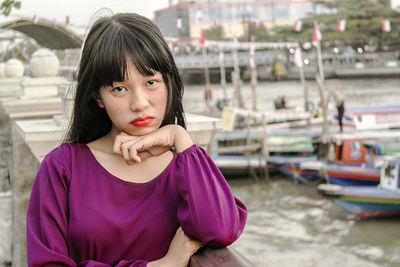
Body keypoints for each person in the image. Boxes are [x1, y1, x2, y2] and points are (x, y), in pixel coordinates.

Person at [26, 12, 247, 267]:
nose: (140, 104)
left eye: (151, 82)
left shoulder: (184, 167)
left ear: (169, 84)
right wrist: (163, 264)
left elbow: (221, 230)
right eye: (119, 88)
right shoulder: (63, 168)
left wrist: (180, 137)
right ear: (98, 97)